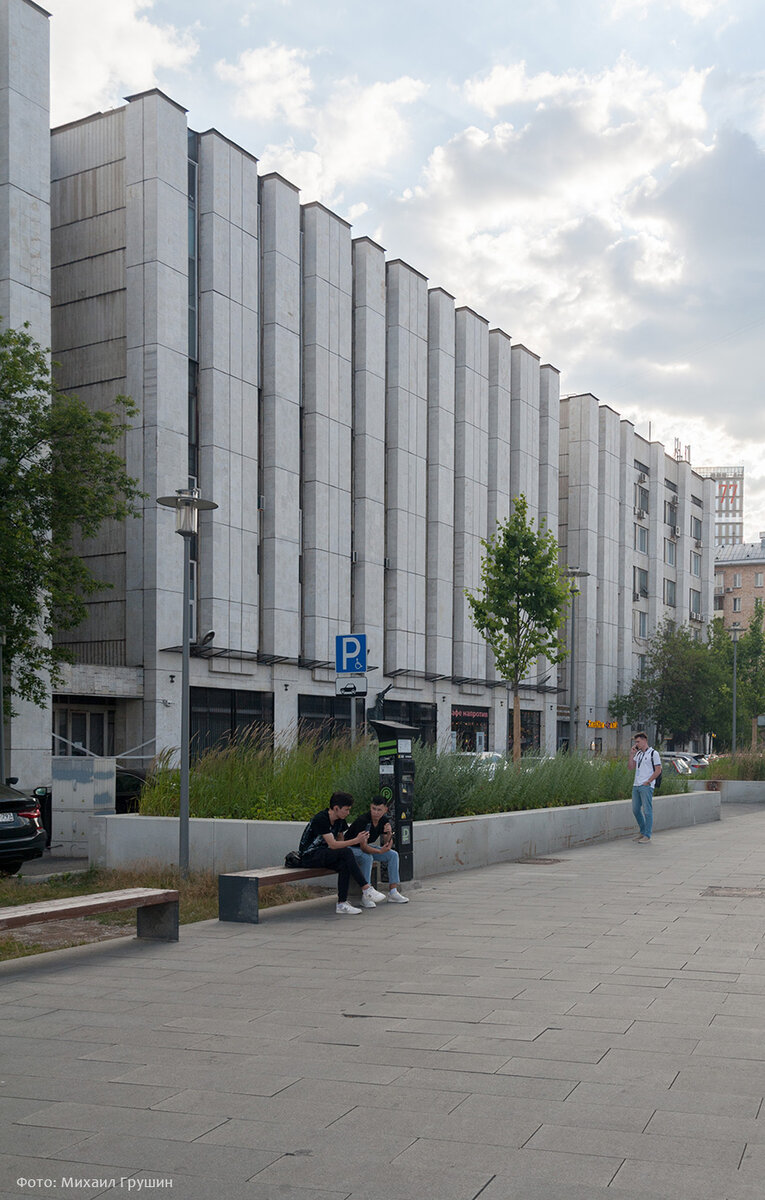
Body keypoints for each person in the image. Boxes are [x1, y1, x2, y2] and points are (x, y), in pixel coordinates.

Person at [299, 792, 388, 915]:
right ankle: (366, 888)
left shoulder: (340, 820)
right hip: (309, 856)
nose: (348, 813)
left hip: (325, 854)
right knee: (346, 853)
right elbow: (333, 844)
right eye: (346, 810)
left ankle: (341, 904)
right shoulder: (321, 819)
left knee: (344, 863)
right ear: (336, 808)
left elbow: (341, 842)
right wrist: (357, 840)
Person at [344, 795, 409, 904]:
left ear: (385, 810)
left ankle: (393, 892)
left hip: (364, 847)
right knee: (367, 857)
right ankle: (366, 895)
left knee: (393, 855)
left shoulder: (383, 820)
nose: (376, 812)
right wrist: (379, 851)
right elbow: (364, 847)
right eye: (374, 809)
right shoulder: (363, 821)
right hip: (350, 848)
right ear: (370, 807)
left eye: (379, 810)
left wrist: (389, 833)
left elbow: (387, 843)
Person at [629, 731, 661, 843]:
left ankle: (647, 834)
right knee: (635, 809)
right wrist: (632, 754)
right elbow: (630, 767)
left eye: (638, 741)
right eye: (635, 742)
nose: (637, 744)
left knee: (647, 810)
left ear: (644, 740)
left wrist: (649, 781)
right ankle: (642, 831)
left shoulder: (653, 753)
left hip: (646, 785)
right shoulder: (638, 754)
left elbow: (658, 770)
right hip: (636, 785)